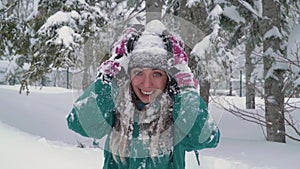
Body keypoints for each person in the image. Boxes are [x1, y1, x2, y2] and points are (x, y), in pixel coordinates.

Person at [67, 20, 220, 169]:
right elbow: (80, 124)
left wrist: (186, 89)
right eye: (138, 73)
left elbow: (206, 138)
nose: (147, 84)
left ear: (169, 78)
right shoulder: (115, 107)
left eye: (157, 74)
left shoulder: (178, 113)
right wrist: (107, 81)